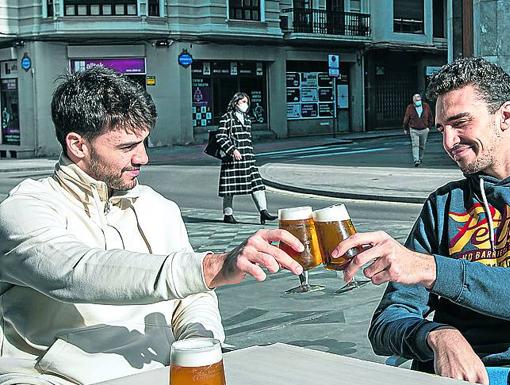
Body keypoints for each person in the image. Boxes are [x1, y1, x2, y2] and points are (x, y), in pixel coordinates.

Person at [0, 67, 305, 385]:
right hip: (53, 378)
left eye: (144, 142)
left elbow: (193, 297)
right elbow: (75, 270)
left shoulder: (157, 206)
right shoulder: (25, 208)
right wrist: (211, 267)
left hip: (161, 372)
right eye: (126, 147)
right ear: (78, 146)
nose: (143, 157)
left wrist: (200, 345)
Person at [334, 57, 510, 385]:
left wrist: (432, 269)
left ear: (505, 116)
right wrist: (437, 334)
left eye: (460, 123)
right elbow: (387, 321)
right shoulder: (444, 205)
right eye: (442, 128)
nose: (448, 142)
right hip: (465, 373)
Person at [216, 92, 277, 225]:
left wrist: (251, 154)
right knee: (229, 188)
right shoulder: (227, 118)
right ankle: (228, 214)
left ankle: (263, 212)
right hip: (232, 158)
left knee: (258, 185)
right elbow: (220, 136)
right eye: (243, 101)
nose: (246, 104)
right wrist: (232, 150)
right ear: (235, 102)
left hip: (248, 159)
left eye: (247, 102)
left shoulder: (248, 119)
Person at [402, 93, 433, 167]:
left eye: (419, 99)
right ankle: (416, 160)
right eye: (416, 100)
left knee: (422, 145)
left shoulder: (426, 106)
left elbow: (430, 117)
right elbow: (406, 118)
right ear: (414, 101)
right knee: (415, 145)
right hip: (414, 130)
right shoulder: (410, 107)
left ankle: (420, 158)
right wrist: (405, 128)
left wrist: (429, 127)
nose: (418, 101)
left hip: (424, 129)